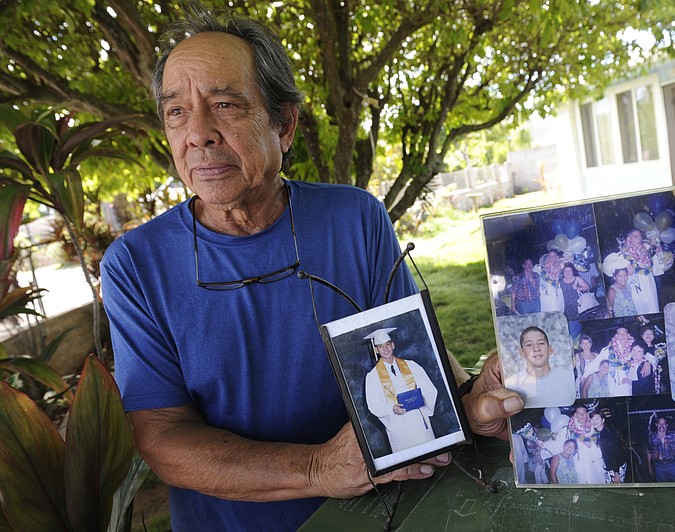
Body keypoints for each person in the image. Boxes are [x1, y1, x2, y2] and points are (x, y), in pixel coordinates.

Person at [100, 5, 523, 530]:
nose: (199, 134)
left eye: (225, 105)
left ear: (284, 125)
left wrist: (472, 395)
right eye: (176, 112)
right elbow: (162, 437)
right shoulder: (135, 265)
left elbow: (413, 348)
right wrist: (320, 467)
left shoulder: (354, 218)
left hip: (380, 511)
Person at [364, 328, 438, 453]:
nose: (385, 349)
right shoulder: (372, 377)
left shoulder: (411, 365)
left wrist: (424, 399)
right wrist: (391, 408)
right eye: (380, 346)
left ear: (393, 345)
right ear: (376, 350)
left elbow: (429, 389)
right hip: (398, 425)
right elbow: (374, 405)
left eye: (388, 344)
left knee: (430, 454)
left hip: (418, 420)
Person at [504, 326, 576, 407]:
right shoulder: (511, 384)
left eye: (541, 343)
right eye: (529, 345)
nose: (536, 348)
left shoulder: (568, 378)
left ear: (550, 349)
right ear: (521, 352)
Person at [621, 228, 659, 314]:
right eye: (635, 236)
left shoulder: (646, 247)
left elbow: (655, 262)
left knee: (653, 303)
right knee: (641, 306)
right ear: (628, 239)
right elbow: (611, 263)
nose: (639, 238)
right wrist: (626, 264)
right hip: (636, 283)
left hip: (649, 279)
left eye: (640, 236)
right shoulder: (624, 251)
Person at [566, 406, 604, 484]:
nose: (582, 415)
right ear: (575, 415)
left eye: (584, 413)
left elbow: (598, 442)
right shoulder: (570, 430)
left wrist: (588, 441)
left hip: (594, 462)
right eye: (579, 413)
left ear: (587, 414)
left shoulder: (594, 428)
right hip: (579, 463)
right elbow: (561, 444)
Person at [591, 411, 627, 484]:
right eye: (592, 419)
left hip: (616, 466)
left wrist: (616, 473)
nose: (594, 421)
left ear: (603, 420)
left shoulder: (609, 434)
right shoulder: (596, 434)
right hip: (607, 465)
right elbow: (587, 440)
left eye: (597, 418)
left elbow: (615, 454)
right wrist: (578, 436)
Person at [647, 417, 675, 482]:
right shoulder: (652, 437)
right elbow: (649, 452)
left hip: (673, 466)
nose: (662, 426)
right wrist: (649, 467)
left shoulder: (673, 435)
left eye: (664, 423)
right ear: (656, 425)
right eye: (659, 423)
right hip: (659, 467)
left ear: (667, 425)